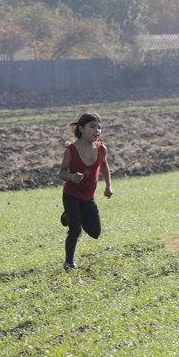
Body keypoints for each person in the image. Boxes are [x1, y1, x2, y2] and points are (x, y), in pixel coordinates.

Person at [58, 113, 113, 269]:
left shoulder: (102, 149)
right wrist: (71, 176)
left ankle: (69, 216)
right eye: (92, 126)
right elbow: (61, 172)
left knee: (95, 232)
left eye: (99, 127)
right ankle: (69, 262)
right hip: (71, 194)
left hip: (88, 196)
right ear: (81, 129)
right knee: (75, 230)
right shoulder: (71, 150)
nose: (97, 130)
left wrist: (108, 186)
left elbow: (104, 166)